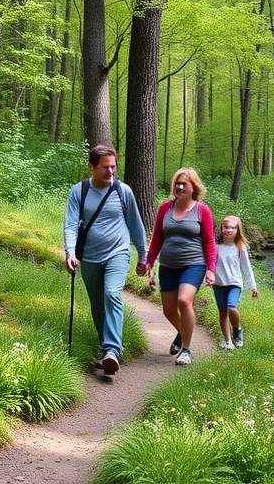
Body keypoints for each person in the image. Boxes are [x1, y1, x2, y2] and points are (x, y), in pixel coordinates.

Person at [64, 145, 148, 376]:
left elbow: (136, 224)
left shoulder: (123, 191)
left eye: (113, 167)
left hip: (118, 253)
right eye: (105, 168)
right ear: (92, 167)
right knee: (97, 305)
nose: (111, 172)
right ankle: (105, 350)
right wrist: (70, 252)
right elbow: (70, 224)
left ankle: (112, 350)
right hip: (89, 256)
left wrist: (143, 255)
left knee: (112, 293)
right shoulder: (79, 191)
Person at [140, 168, 216, 366]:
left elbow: (209, 242)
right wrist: (149, 262)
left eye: (184, 184)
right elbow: (157, 238)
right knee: (168, 310)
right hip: (168, 265)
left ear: (194, 188)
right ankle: (183, 332)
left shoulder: (202, 211)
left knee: (184, 301)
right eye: (177, 183)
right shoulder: (165, 209)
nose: (180, 187)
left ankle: (187, 350)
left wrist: (211, 269)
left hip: (194, 264)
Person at [212, 215, 258, 349]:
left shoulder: (240, 247)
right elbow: (210, 264)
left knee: (231, 307)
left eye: (232, 228)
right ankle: (228, 341)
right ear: (221, 228)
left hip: (234, 283)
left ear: (238, 230)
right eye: (226, 227)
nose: (229, 230)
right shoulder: (216, 246)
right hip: (219, 283)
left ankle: (237, 330)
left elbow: (246, 267)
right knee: (222, 312)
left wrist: (253, 286)